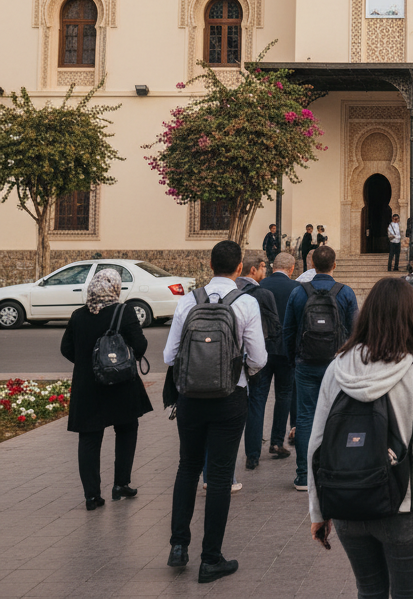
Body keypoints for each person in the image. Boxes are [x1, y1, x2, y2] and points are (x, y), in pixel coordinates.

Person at [308, 278, 413, 599]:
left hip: (347, 504)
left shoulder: (336, 368)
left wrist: (318, 512)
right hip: (404, 507)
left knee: (369, 591)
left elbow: (316, 445)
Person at [165, 240, 268, 583]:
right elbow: (259, 358)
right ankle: (211, 559)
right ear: (240, 268)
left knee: (187, 467)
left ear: (210, 265)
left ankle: (178, 546)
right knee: (220, 476)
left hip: (190, 397)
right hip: (230, 397)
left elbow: (169, 356)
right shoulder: (246, 302)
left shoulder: (188, 301)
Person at [61, 268, 152, 509]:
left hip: (88, 388)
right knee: (127, 429)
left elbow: (66, 348)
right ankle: (121, 484)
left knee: (89, 438)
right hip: (120, 385)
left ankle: (92, 496)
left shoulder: (78, 315)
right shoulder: (124, 311)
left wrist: (90, 364)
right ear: (115, 288)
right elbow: (140, 345)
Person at [282, 245, 359, 492]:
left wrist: (294, 360)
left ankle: (304, 475)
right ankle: (335, 470)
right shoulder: (345, 293)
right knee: (337, 415)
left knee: (305, 418)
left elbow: (288, 331)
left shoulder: (298, 292)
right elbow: (355, 332)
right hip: (336, 365)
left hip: (305, 364)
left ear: (312, 265)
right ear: (334, 265)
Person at [236, 254, 282, 470]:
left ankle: (248, 454)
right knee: (257, 402)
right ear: (253, 270)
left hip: (230, 359)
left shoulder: (232, 291)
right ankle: (252, 455)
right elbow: (274, 325)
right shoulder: (263, 294)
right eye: (263, 267)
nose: (266, 271)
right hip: (257, 356)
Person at [260, 251, 300, 459]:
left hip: (262, 349)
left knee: (259, 397)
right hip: (285, 350)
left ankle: (253, 448)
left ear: (273, 266)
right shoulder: (296, 288)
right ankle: (276, 441)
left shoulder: (260, 286)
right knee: (284, 396)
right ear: (291, 269)